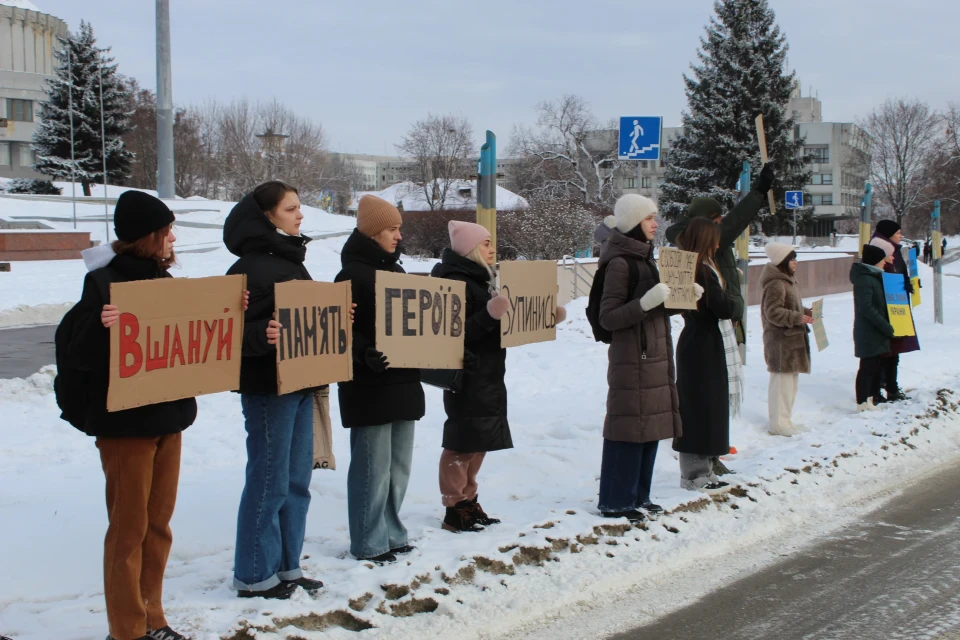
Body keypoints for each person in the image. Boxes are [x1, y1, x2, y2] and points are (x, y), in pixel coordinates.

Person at [62, 191, 199, 640]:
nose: (173, 238)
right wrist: (99, 328)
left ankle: (153, 617)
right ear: (147, 237)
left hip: (168, 420)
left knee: (158, 527)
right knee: (128, 530)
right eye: (167, 231)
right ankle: (126, 629)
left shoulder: (165, 281)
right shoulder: (102, 285)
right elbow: (77, 353)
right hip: (125, 429)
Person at [224, 181, 325, 600]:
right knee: (269, 480)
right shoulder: (245, 269)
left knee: (297, 480)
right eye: (290, 209)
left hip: (301, 383)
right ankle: (252, 575)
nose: (300, 215)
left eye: (299, 208)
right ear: (266, 216)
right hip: (268, 388)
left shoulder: (291, 260)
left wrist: (338, 315)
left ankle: (287, 566)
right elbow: (223, 333)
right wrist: (260, 335)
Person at [431, 222, 567, 532]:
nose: (493, 248)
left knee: (479, 441)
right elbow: (454, 334)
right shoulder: (453, 282)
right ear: (469, 249)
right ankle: (454, 507)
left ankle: (468, 499)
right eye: (486, 243)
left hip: (488, 374)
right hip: (464, 375)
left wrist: (545, 319)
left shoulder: (483, 280)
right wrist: (489, 314)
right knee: (462, 441)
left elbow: (504, 325)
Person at [335, 195, 425, 564]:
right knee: (373, 468)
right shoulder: (350, 275)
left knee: (398, 468)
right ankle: (369, 540)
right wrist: (362, 353)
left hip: (403, 381)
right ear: (372, 232)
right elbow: (338, 328)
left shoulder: (397, 273)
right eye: (392, 228)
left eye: (399, 228)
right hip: (369, 385)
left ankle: (391, 531)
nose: (398, 236)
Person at [596, 195, 687, 521]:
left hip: (652, 358)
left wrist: (681, 301)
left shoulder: (645, 259)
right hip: (632, 360)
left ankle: (639, 495)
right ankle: (616, 501)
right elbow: (609, 318)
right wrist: (647, 303)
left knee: (649, 429)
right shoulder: (620, 263)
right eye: (650, 218)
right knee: (628, 431)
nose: (656, 223)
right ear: (634, 222)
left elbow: (654, 307)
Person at [664, 162, 775, 346]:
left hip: (719, 326)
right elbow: (735, 222)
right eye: (716, 222)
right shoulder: (696, 246)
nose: (718, 236)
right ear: (705, 228)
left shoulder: (700, 246)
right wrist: (760, 191)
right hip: (711, 330)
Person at [672, 217, 742, 495]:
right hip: (701, 345)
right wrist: (734, 300)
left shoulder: (696, 266)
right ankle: (694, 474)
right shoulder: (700, 269)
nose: (718, 240)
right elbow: (723, 307)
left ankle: (705, 470)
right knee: (699, 409)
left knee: (706, 407)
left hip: (701, 342)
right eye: (714, 236)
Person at [759, 243, 813, 437]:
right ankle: (778, 423)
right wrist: (797, 318)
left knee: (790, 384)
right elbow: (772, 312)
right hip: (780, 341)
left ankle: (785, 420)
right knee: (781, 384)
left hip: (792, 341)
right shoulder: (776, 283)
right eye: (791, 259)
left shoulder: (788, 281)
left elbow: (790, 306)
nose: (795, 262)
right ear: (782, 261)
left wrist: (805, 313)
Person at [870, 220, 919, 402]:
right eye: (898, 232)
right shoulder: (882, 250)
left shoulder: (893, 250)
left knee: (894, 350)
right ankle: (884, 385)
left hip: (896, 307)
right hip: (887, 310)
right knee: (886, 351)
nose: (900, 235)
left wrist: (905, 284)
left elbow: (898, 273)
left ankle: (890, 385)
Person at [851, 244, 895, 412]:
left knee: (874, 366)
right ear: (875, 261)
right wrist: (885, 326)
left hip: (875, 330)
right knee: (867, 367)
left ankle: (868, 399)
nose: (885, 262)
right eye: (882, 259)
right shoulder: (865, 279)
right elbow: (867, 308)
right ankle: (861, 402)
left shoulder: (874, 277)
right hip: (869, 331)